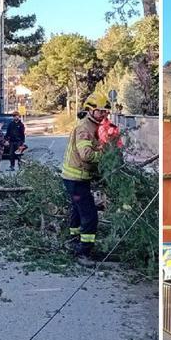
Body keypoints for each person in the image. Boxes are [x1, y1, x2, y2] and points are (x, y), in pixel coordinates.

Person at [61, 92, 110, 266]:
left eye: (105, 112)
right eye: (100, 111)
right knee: (90, 215)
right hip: (76, 179)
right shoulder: (85, 129)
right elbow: (86, 155)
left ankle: (74, 241)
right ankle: (84, 252)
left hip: (76, 178)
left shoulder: (93, 126)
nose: (103, 114)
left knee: (77, 210)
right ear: (90, 110)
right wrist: (105, 156)